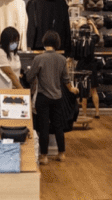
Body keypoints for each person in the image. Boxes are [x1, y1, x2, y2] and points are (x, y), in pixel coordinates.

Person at [26, 30, 79, 165]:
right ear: (57, 43)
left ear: (44, 42)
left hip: (43, 97)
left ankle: (44, 156)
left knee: (43, 126)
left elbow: (30, 77)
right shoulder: (62, 59)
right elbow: (66, 79)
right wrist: (72, 89)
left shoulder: (39, 59)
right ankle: (62, 154)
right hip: (57, 97)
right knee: (58, 126)